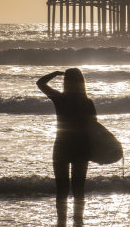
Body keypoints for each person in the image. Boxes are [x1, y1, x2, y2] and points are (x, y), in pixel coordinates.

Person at [37, 68, 96, 207]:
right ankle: (78, 224)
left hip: (62, 147)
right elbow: (94, 128)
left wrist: (55, 73)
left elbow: (40, 83)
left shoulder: (60, 99)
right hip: (82, 147)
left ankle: (61, 224)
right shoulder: (88, 102)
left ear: (65, 82)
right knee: (79, 189)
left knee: (62, 190)